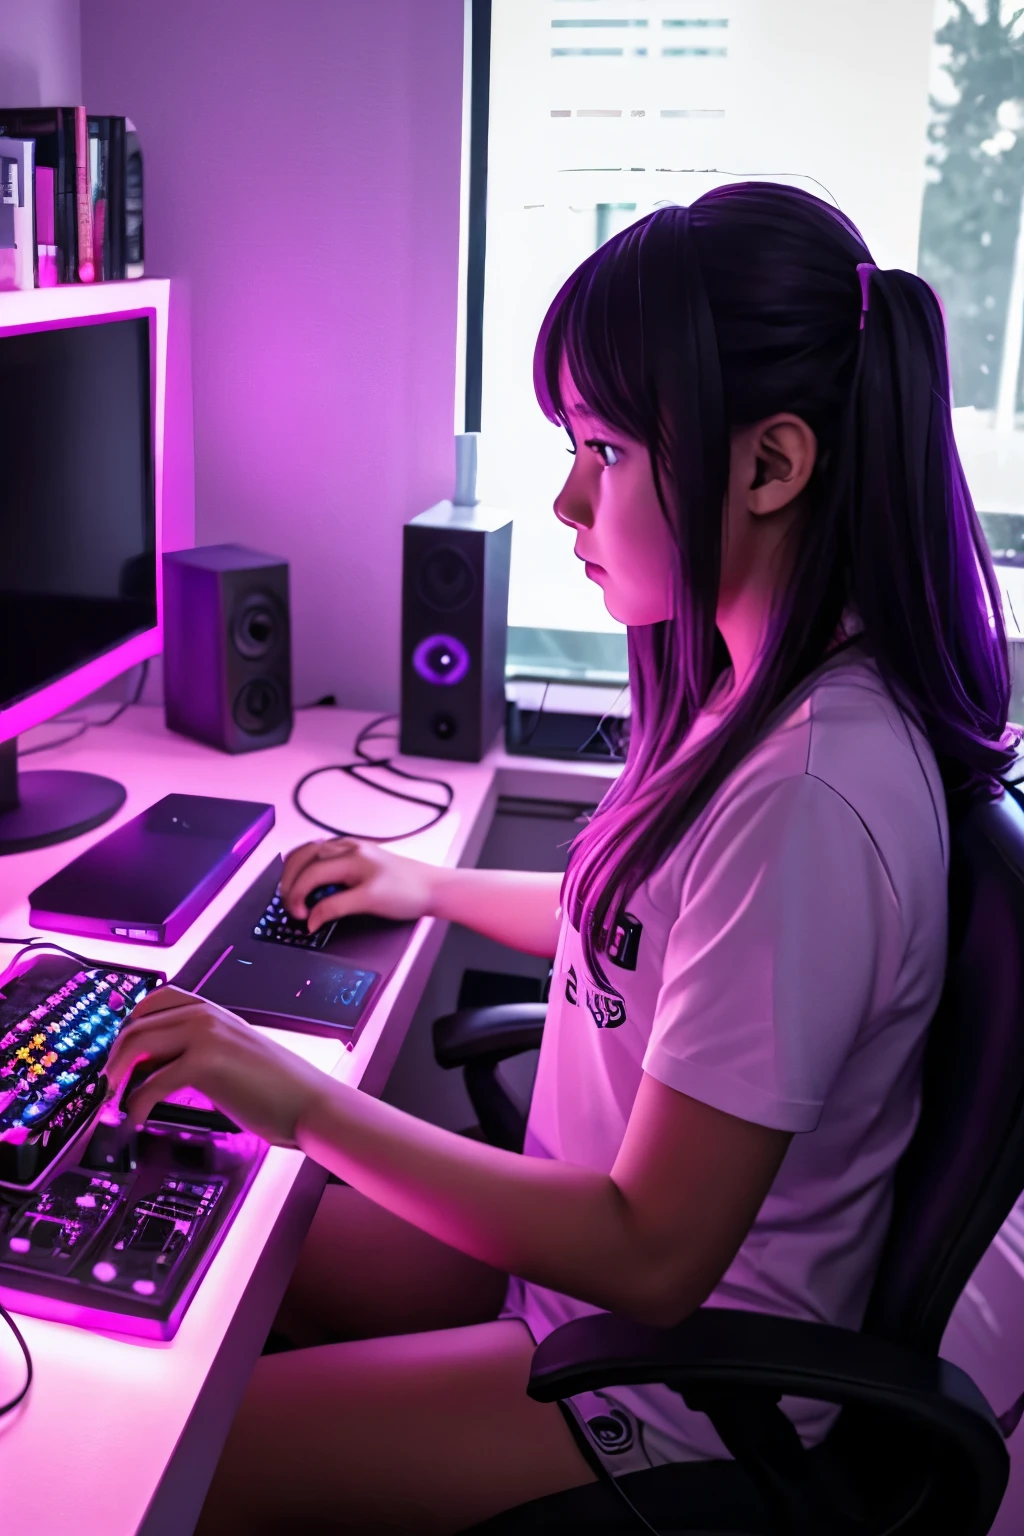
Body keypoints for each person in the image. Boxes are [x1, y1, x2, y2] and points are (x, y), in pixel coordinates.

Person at [106, 183, 1019, 1534]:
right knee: (201, 1222)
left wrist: (296, 1098)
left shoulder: (814, 794)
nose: (566, 496)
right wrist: (424, 886)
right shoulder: (751, 691)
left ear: (769, 467)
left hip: (673, 1382)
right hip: (579, 1285)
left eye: (605, 449)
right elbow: (652, 940)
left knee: (147, 1468)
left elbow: (653, 1255)